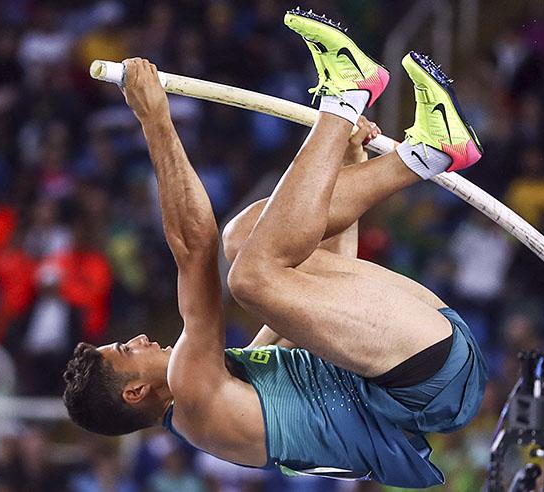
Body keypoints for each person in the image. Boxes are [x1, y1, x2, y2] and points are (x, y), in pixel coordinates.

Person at [62, 9, 486, 488]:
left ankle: (427, 154)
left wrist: (348, 160)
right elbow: (192, 247)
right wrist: (154, 117)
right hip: (427, 378)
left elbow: (324, 280)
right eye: (125, 349)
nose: (138, 338)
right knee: (247, 277)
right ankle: (347, 95)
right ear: (136, 391)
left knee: (245, 240)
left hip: (423, 361)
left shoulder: (236, 383)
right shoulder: (196, 398)